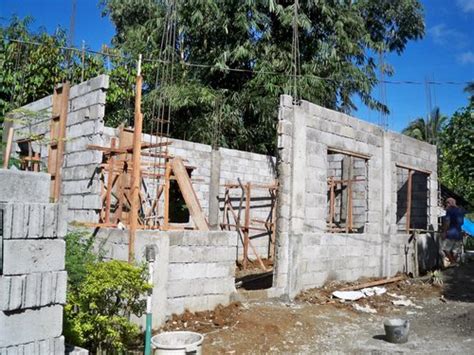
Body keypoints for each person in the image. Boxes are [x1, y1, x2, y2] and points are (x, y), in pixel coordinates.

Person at [442, 197, 465, 266]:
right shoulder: (461, 211)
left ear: (449, 203)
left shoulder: (449, 210)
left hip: (451, 232)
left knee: (445, 248)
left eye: (446, 204)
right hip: (459, 232)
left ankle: (452, 262)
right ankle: (454, 263)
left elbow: (447, 222)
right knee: (455, 250)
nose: (446, 205)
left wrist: (444, 232)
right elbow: (462, 223)